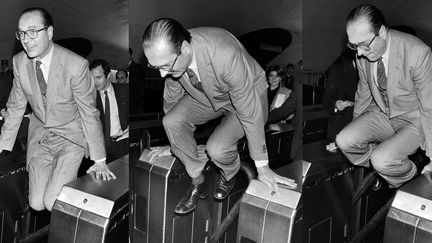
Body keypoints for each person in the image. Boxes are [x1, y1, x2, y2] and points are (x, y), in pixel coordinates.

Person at [142, 18, 296, 214]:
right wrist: (176, 143)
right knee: (171, 121)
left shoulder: (225, 54)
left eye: (166, 66)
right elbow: (171, 102)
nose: (163, 74)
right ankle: (198, 182)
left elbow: (248, 111)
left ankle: (229, 173)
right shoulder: (171, 58)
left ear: (186, 48)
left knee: (217, 149)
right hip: (209, 95)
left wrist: (263, 166)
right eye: (156, 68)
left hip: (248, 95)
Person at [0, 7, 115, 212]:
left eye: (33, 31)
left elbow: (89, 113)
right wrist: (3, 145)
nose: (26, 39)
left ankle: (82, 208)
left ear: (50, 32)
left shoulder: (76, 65)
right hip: (42, 138)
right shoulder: (19, 62)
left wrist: (100, 160)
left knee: (51, 201)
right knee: (36, 204)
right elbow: (16, 106)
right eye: (21, 33)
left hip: (71, 139)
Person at [335, 4, 432, 188]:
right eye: (354, 46)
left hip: (414, 119)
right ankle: (383, 165)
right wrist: (356, 132)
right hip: (383, 114)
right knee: (344, 140)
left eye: (364, 44)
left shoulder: (418, 53)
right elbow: (363, 95)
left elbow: (429, 106)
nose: (360, 53)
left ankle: (409, 173)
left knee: (382, 160)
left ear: (382, 32)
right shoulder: (362, 56)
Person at [90, 59, 129, 162]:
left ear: (108, 76)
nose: (95, 82)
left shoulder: (125, 91)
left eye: (98, 77)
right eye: (92, 78)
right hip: (100, 148)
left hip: (122, 144)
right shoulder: (90, 97)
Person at [322, 49, 358, 151]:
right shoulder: (338, 69)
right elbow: (327, 98)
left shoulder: (372, 71)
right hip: (341, 127)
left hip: (365, 130)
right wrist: (336, 104)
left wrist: (356, 104)